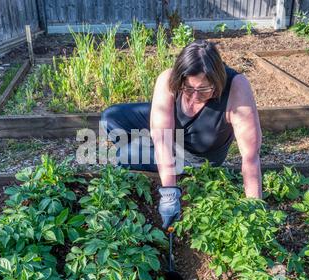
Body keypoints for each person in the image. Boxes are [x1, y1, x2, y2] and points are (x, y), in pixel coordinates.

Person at [101, 40, 262, 229]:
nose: (194, 96)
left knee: (122, 155)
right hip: (173, 134)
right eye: (188, 88)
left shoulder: (236, 87)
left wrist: (255, 212)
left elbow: (250, 158)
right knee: (110, 118)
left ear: (217, 82)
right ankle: (155, 153)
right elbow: (162, 140)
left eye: (203, 90)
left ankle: (164, 158)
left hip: (198, 156)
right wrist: (169, 193)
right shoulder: (169, 79)